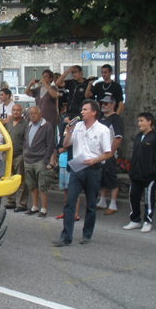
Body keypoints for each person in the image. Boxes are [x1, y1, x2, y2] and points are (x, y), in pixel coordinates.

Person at [52, 99, 113, 246]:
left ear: (94, 112)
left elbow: (108, 153)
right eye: (82, 109)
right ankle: (66, 236)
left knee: (91, 204)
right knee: (70, 202)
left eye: (85, 110)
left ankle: (87, 234)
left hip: (93, 170)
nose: (82, 112)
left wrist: (95, 160)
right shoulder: (77, 126)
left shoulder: (102, 129)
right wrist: (69, 132)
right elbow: (66, 145)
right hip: (77, 169)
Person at [123, 112, 156, 233]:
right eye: (138, 121)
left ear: (149, 122)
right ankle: (135, 220)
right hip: (136, 175)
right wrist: (131, 171)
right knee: (133, 197)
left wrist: (153, 172)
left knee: (148, 199)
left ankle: (148, 221)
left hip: (148, 176)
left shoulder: (155, 138)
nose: (139, 123)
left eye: (141, 121)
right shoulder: (138, 137)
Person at [22, 106, 55, 218]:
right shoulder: (29, 126)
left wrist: (46, 159)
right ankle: (34, 207)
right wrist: (25, 152)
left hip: (40, 160)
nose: (32, 115)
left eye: (35, 113)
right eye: (31, 113)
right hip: (28, 159)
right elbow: (25, 141)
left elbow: (50, 144)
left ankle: (43, 209)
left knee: (43, 184)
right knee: (31, 184)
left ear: (40, 114)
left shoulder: (47, 126)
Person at [95, 96, 123, 215]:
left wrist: (111, 153)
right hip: (100, 154)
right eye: (103, 103)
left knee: (111, 178)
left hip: (109, 154)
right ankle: (102, 201)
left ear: (113, 105)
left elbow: (118, 137)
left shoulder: (116, 119)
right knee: (102, 178)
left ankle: (113, 204)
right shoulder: (101, 119)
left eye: (107, 104)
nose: (104, 105)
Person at [4, 104, 30, 212]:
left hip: (20, 156)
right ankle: (11, 201)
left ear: (22, 112)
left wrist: (23, 156)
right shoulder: (9, 124)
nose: (15, 112)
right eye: (14, 110)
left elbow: (27, 141)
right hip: (9, 155)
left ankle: (22, 204)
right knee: (9, 179)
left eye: (18, 110)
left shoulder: (25, 125)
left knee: (22, 181)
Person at [54, 117, 80, 221]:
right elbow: (60, 148)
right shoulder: (64, 132)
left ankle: (75, 213)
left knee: (73, 190)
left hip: (71, 163)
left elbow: (69, 146)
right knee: (65, 189)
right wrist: (64, 148)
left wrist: (64, 147)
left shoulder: (75, 132)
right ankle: (67, 211)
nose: (67, 121)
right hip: (63, 163)